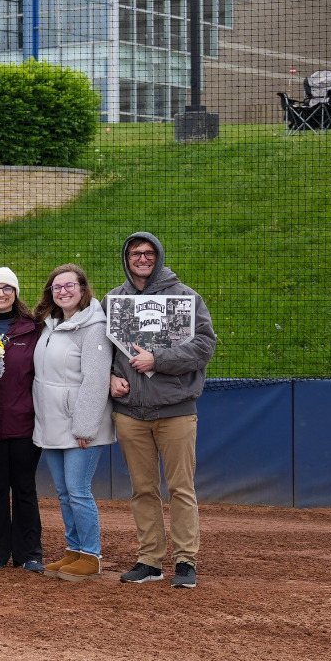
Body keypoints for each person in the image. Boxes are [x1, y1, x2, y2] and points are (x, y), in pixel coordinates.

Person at [109, 232, 217, 589]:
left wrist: (160, 359)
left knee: (181, 489)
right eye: (135, 253)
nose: (142, 258)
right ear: (126, 258)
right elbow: (100, 353)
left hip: (175, 409)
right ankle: (149, 560)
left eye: (148, 253)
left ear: (158, 256)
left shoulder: (185, 297)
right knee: (142, 489)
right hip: (130, 413)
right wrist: (111, 379)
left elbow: (204, 345)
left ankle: (185, 561)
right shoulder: (114, 301)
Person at [32, 265, 112, 581]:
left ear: (82, 288)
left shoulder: (94, 326)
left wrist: (85, 426)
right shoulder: (48, 325)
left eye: (70, 285)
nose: (63, 291)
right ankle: (74, 551)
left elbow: (95, 380)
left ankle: (91, 556)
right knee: (65, 492)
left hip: (81, 426)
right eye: (57, 287)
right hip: (51, 423)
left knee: (79, 490)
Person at [0, 266, 43, 574]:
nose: (1, 293)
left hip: (25, 423)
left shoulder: (33, 328)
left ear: (16, 293)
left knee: (25, 487)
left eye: (7, 288)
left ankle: (30, 553)